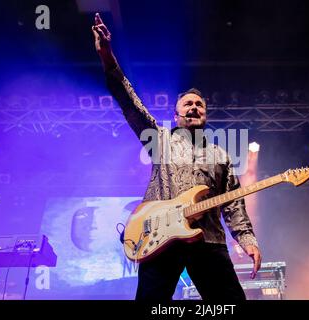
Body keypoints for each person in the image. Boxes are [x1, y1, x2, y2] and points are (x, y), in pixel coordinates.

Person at [91, 13, 261, 301]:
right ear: (177, 114)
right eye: (188, 104)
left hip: (208, 240)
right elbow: (130, 104)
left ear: (205, 114)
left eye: (199, 105)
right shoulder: (160, 140)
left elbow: (233, 202)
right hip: (161, 239)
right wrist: (108, 56)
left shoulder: (220, 155)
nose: (194, 107)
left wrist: (247, 240)